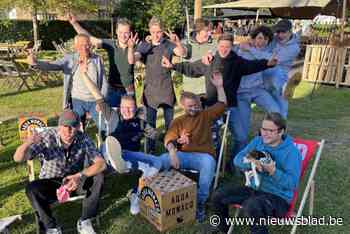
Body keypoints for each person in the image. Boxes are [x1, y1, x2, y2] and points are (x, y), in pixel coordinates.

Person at [13, 109, 106, 234]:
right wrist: (28, 142)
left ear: (78, 126)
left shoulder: (83, 138)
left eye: (72, 127)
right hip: (51, 182)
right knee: (32, 188)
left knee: (98, 177)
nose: (68, 131)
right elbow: (18, 158)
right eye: (65, 126)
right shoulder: (46, 137)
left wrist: (79, 176)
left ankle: (85, 221)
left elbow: (101, 164)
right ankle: (51, 228)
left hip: (74, 181)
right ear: (59, 126)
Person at [210, 112, 302, 234]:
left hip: (278, 198)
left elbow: (292, 184)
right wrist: (252, 162)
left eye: (270, 130)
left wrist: (273, 171)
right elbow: (237, 159)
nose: (265, 133)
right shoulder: (258, 141)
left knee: (252, 205)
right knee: (218, 194)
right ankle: (223, 230)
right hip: (254, 190)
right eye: (263, 129)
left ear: (281, 132)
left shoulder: (292, 153)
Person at [159, 71, 226, 222]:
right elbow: (168, 138)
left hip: (203, 156)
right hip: (182, 156)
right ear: (182, 106)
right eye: (190, 106)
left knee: (208, 163)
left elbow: (222, 105)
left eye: (196, 105)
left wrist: (220, 86)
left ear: (200, 103)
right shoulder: (179, 121)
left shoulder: (206, 115)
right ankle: (157, 195)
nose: (194, 108)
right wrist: (172, 152)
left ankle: (200, 203)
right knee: (161, 160)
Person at [27, 34, 108, 131]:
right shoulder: (70, 59)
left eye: (87, 45)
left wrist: (102, 102)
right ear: (76, 46)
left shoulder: (97, 60)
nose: (85, 48)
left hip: (95, 101)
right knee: (72, 128)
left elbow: (104, 83)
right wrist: (35, 63)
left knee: (105, 128)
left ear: (90, 45)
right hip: (77, 100)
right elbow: (52, 65)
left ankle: (106, 144)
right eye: (81, 45)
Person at [101, 95, 161, 215]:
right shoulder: (113, 116)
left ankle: (136, 194)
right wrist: (85, 75)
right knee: (107, 146)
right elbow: (98, 97)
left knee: (157, 162)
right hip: (109, 152)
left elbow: (157, 135)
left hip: (130, 156)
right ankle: (114, 159)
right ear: (120, 107)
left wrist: (173, 142)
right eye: (124, 107)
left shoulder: (140, 123)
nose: (126, 110)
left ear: (135, 108)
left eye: (130, 108)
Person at [134, 16, 187, 153]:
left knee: (170, 124)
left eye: (159, 32)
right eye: (153, 32)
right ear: (149, 31)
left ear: (163, 31)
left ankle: (171, 148)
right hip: (150, 92)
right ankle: (150, 151)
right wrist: (132, 52)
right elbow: (136, 57)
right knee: (150, 125)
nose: (156, 35)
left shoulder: (168, 44)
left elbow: (183, 53)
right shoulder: (145, 45)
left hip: (166, 90)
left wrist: (178, 42)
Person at [230, 26, 281, 163]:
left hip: (257, 90)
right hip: (241, 93)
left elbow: (269, 61)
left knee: (276, 111)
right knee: (243, 132)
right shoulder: (241, 50)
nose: (262, 41)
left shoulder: (266, 53)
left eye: (265, 39)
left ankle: (265, 138)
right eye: (259, 38)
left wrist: (251, 49)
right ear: (253, 38)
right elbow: (231, 54)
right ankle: (237, 160)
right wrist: (243, 47)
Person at [68, 14, 138, 107]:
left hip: (128, 91)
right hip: (112, 89)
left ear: (131, 33)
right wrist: (74, 23)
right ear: (116, 31)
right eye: (120, 32)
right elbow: (90, 39)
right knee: (112, 119)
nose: (123, 35)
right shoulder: (111, 44)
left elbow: (131, 61)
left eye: (126, 32)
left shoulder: (135, 46)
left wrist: (131, 48)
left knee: (130, 119)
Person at [264, 19, 301, 118]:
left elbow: (274, 61)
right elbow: (265, 48)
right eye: (278, 32)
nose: (279, 35)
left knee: (280, 103)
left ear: (290, 31)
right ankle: (272, 126)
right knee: (272, 104)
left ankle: (281, 127)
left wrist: (264, 55)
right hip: (268, 73)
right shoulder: (274, 39)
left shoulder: (294, 48)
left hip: (279, 75)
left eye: (283, 32)